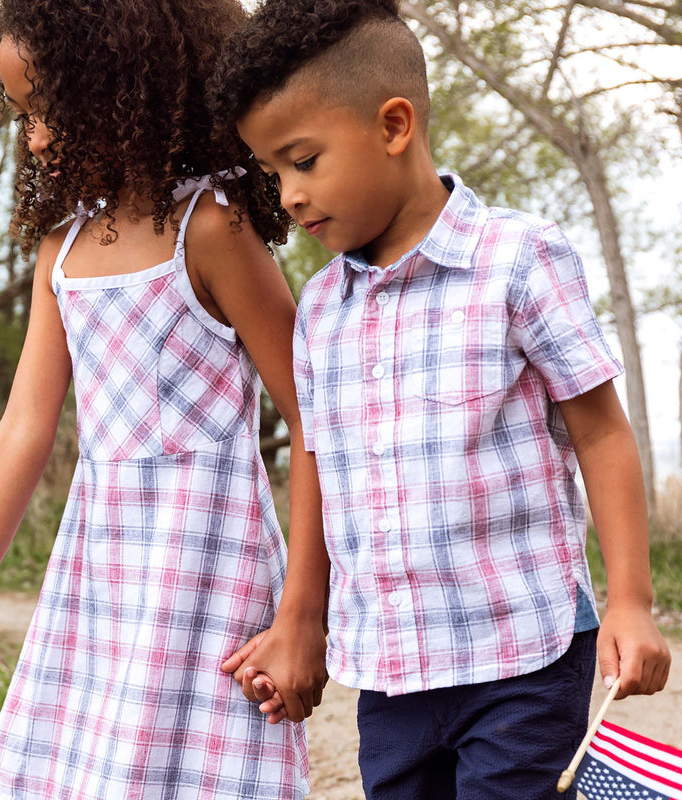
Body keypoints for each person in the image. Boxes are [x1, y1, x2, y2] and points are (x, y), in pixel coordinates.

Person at [209, 0, 672, 797]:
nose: (286, 194)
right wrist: (301, 618)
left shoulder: (520, 261)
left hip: (523, 661)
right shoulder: (320, 309)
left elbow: (601, 434)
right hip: (390, 678)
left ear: (394, 126)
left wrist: (629, 601)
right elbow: (318, 464)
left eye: (304, 160)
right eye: (272, 173)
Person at [0, 1, 327, 797]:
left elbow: (314, 419)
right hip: (99, 575)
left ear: (118, 90)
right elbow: (23, 430)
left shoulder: (210, 229)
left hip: (208, 574)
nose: (34, 137)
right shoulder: (60, 249)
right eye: (22, 116)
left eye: (46, 110)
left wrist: (303, 612)